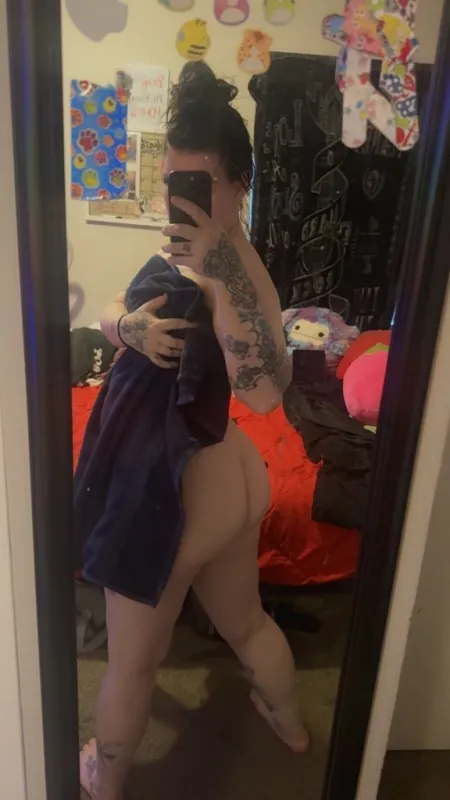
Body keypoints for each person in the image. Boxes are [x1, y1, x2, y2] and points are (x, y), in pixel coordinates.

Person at [79, 62, 309, 800]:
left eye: (200, 184)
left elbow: (265, 390)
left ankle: (105, 780)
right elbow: (114, 309)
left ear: (239, 185)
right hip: (224, 472)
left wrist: (216, 273)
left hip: (178, 485)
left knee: (132, 663)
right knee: (246, 625)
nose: (181, 201)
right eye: (173, 181)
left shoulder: (235, 271)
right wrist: (129, 327)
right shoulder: (184, 249)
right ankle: (289, 722)